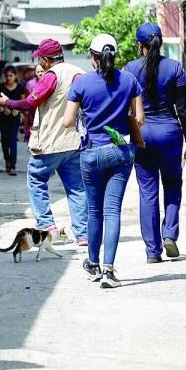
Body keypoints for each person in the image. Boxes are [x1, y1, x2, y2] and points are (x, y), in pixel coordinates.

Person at [63, 34, 144, 289]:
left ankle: (93, 264)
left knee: (94, 211)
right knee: (112, 211)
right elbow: (139, 118)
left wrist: (85, 122)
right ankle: (109, 271)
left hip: (91, 152)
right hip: (120, 150)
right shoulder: (129, 80)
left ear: (93, 57)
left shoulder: (82, 83)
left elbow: (67, 121)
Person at [0, 39, 90, 245]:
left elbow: (31, 102)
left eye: (40, 58)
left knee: (36, 180)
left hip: (50, 142)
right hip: (74, 142)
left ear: (47, 60)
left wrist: (7, 102)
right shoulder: (78, 72)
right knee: (76, 188)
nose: (39, 62)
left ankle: (47, 226)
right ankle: (83, 234)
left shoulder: (51, 76)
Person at [124, 23, 186, 263]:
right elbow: (183, 109)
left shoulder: (130, 69)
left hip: (142, 134)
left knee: (148, 192)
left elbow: (124, 108)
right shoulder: (175, 68)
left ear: (140, 45)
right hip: (170, 134)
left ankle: (152, 252)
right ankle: (170, 234)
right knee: (173, 185)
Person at [0, 66, 26, 175]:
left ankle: (12, 166)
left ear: (15, 76)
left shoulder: (20, 88)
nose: (9, 78)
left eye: (11, 76)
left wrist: (18, 110)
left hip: (15, 118)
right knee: (5, 141)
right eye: (7, 76)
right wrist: (2, 109)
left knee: (13, 140)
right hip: (3, 118)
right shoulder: (0, 87)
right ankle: (7, 161)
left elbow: (24, 102)